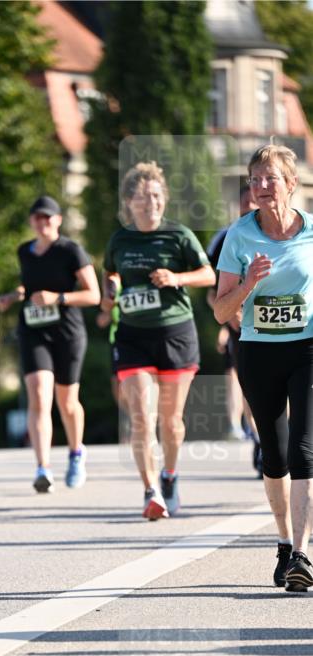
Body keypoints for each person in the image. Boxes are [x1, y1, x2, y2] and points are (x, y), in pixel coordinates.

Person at [215, 143, 313, 593]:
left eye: (269, 178)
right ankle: (281, 541)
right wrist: (249, 284)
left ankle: (301, 553)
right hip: (258, 351)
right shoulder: (239, 235)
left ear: (291, 183)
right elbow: (220, 311)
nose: (261, 187)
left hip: (307, 348)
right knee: (273, 458)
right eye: (255, 180)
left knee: (304, 450)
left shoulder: (312, 232)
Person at [102, 162, 215, 519]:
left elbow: (209, 274)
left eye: (155, 195)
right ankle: (150, 490)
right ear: (129, 202)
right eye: (142, 197)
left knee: (171, 421)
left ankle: (170, 475)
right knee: (140, 416)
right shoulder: (120, 239)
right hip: (134, 336)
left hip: (175, 333)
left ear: (163, 199)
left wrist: (176, 277)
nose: (150, 202)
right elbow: (110, 272)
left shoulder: (179, 235)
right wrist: (111, 291)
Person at [0, 196, 100, 492]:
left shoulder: (71, 250)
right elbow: (29, 286)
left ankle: (76, 453)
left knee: (66, 402)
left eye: (48, 218)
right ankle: (42, 468)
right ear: (32, 221)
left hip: (67, 332)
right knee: (39, 396)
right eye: (37, 218)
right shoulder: (24, 252)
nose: (43, 223)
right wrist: (14, 295)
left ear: (58, 220)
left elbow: (93, 295)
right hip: (33, 331)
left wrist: (58, 298)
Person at [206, 186, 262, 474]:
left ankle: (278, 436)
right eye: (244, 202)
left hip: (279, 325)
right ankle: (261, 439)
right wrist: (228, 320)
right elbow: (211, 292)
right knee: (251, 387)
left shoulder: (287, 233)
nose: (249, 206)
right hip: (240, 327)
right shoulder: (225, 238)